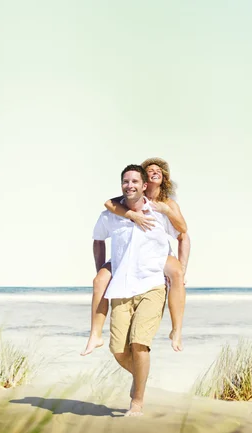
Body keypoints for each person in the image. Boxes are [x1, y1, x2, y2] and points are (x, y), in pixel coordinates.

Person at [91, 164, 179, 416]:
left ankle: (137, 402)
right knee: (118, 350)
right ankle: (142, 377)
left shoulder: (159, 213)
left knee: (139, 344)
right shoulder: (110, 215)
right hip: (121, 287)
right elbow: (97, 238)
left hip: (152, 285)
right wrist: (101, 270)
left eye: (134, 182)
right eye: (125, 181)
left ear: (144, 186)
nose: (129, 185)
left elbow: (182, 232)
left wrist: (180, 268)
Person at [81, 158, 190, 356]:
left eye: (159, 170)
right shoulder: (127, 202)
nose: (155, 172)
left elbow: (183, 232)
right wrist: (132, 215)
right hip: (127, 256)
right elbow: (109, 203)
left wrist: (183, 267)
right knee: (100, 280)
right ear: (144, 178)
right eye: (150, 170)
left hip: (156, 255)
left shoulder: (165, 204)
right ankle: (95, 334)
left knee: (177, 275)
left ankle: (176, 331)